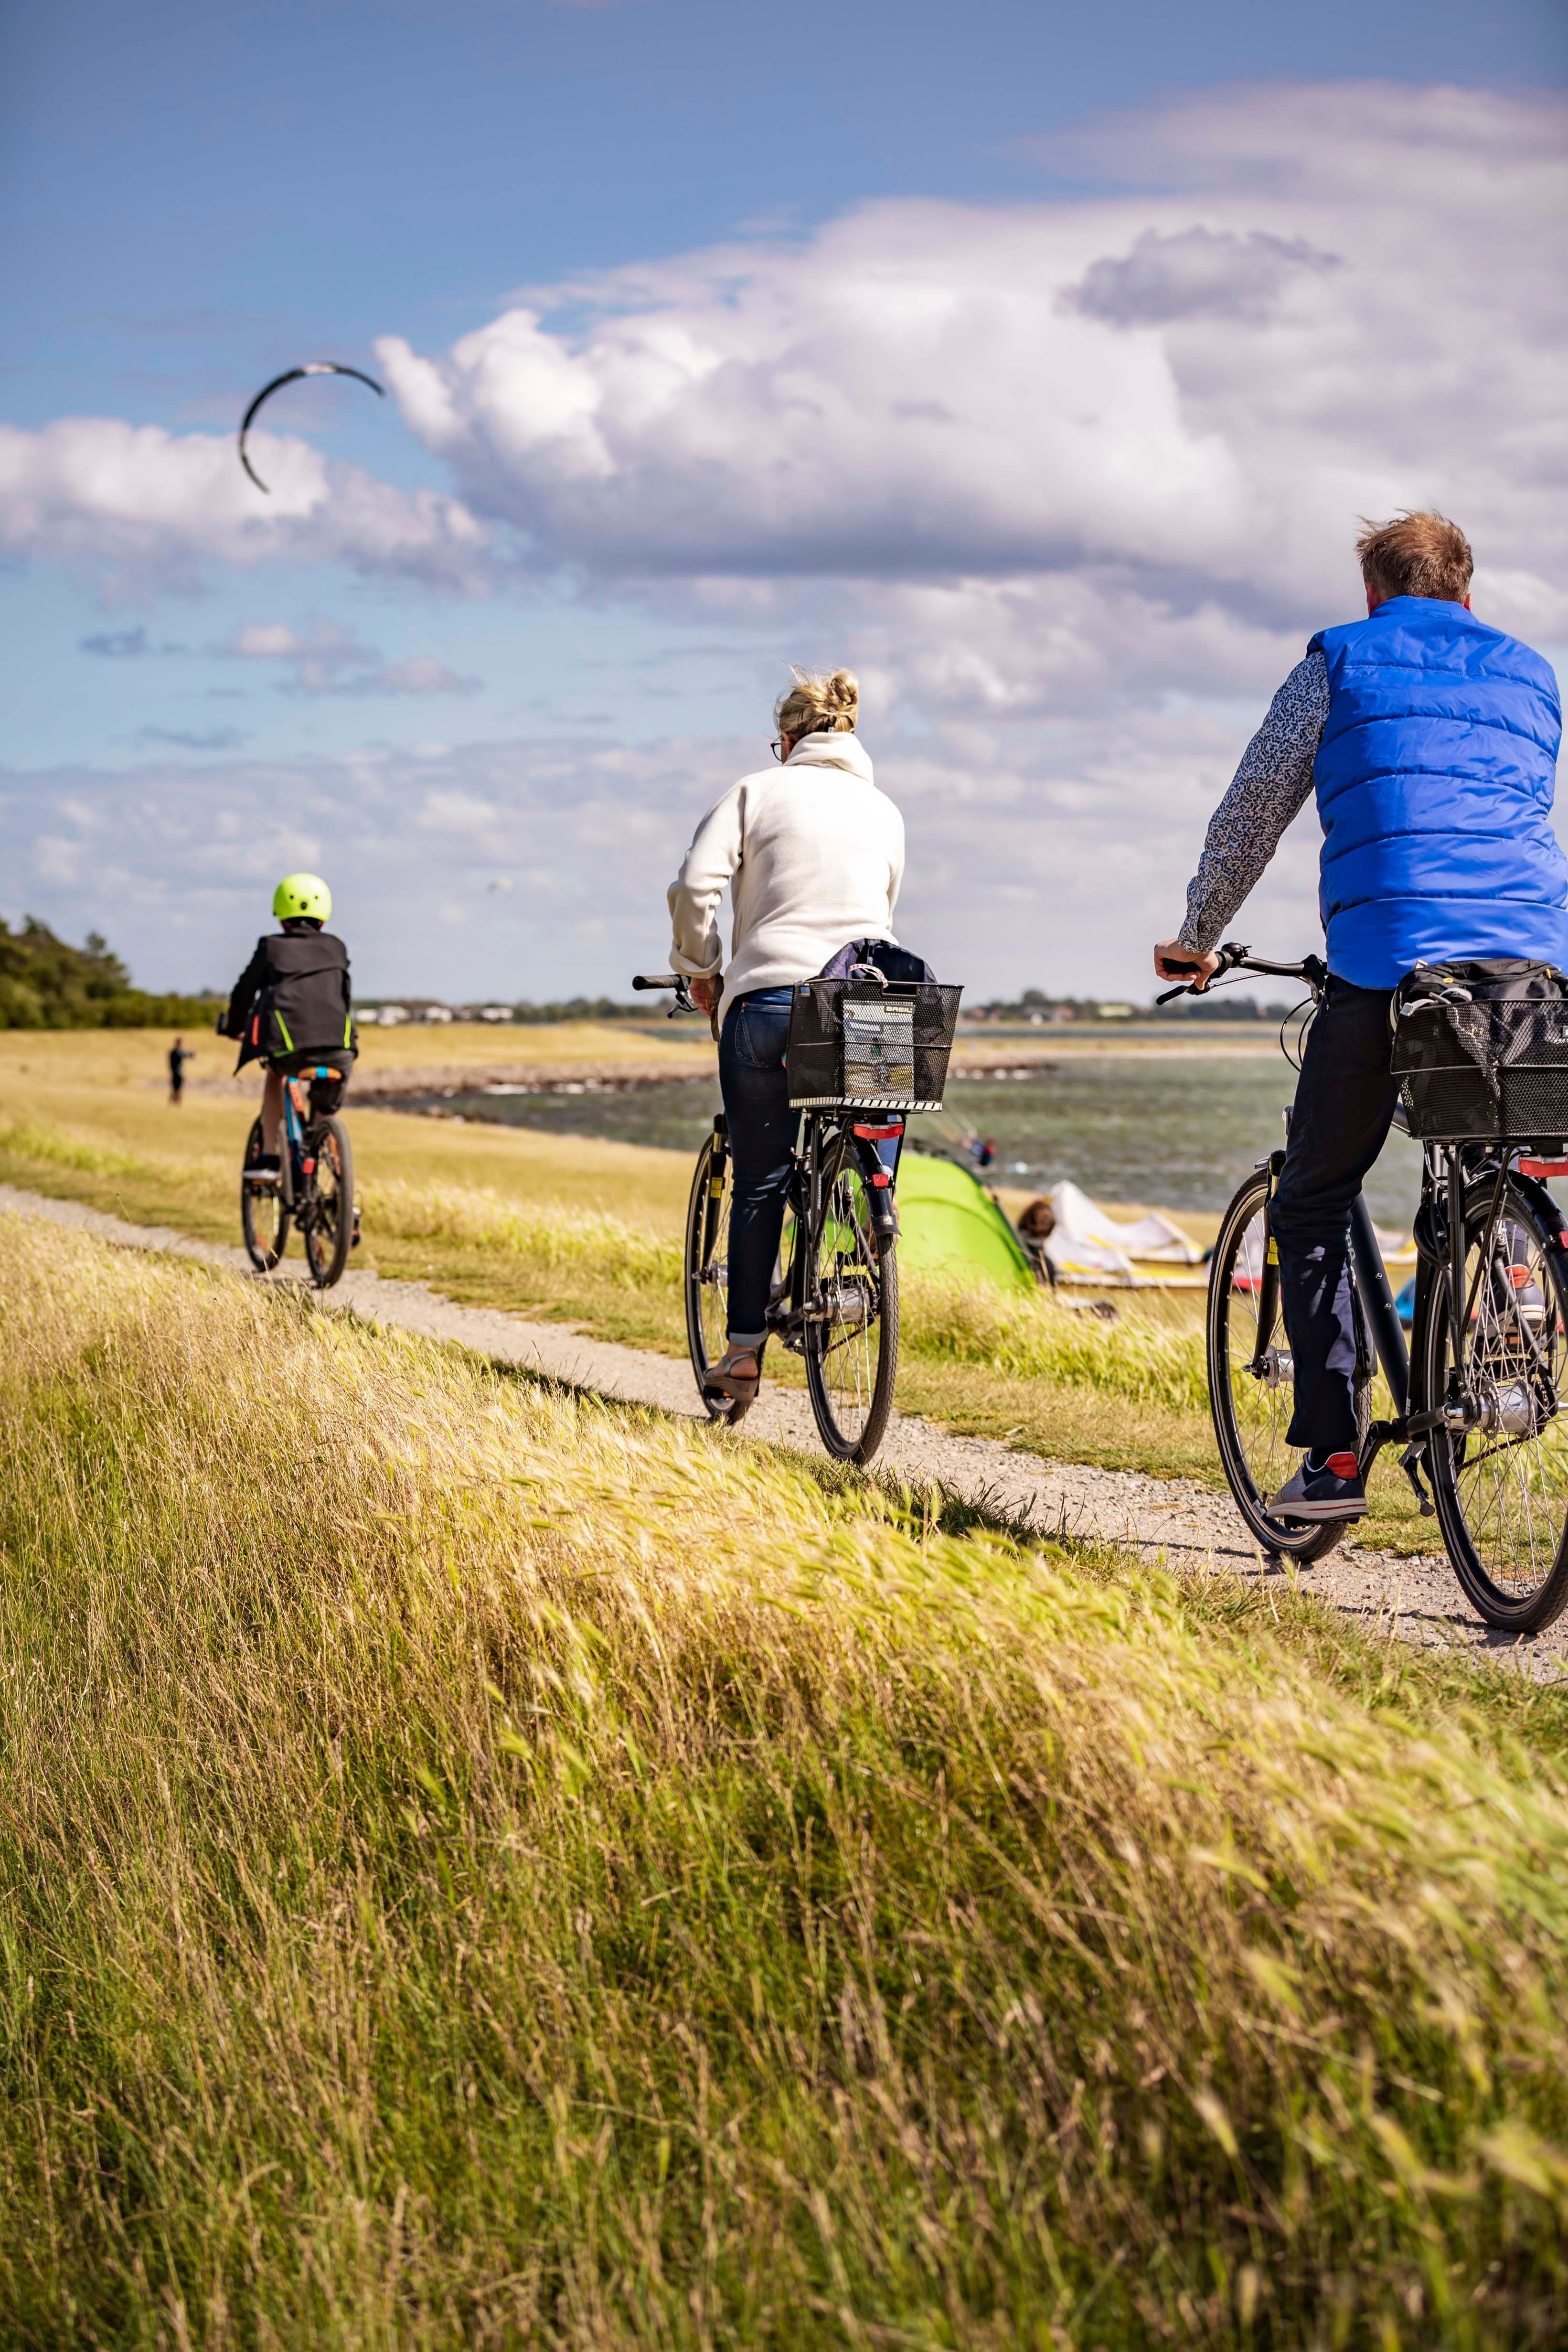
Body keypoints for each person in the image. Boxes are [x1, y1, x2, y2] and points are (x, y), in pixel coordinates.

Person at [1154, 511, 1565, 1522]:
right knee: (1483, 1153)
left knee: (1311, 1196)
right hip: (1531, 974)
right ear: (1466, 592)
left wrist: (1199, 933)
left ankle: (1333, 1455)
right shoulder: (1533, 673)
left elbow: (1253, 811)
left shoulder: (1338, 660)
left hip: (1390, 964)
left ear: (1373, 593)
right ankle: (1492, 1301)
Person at [667, 667, 906, 1403]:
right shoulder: (884, 810)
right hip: (867, 1007)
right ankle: (867, 1225)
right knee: (871, 1130)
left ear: (789, 739)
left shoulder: (756, 792)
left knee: (761, 1179)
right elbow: (881, 910)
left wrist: (700, 968)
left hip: (768, 1001)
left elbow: (694, 888)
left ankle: (742, 1355)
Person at [219, 874, 357, 1175]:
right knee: (325, 1108)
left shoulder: (271, 947)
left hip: (290, 1049)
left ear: (281, 916)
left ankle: (270, 1157)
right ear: (324, 917)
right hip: (341, 1049)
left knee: (275, 1076)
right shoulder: (337, 947)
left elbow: (244, 993)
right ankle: (327, 1163)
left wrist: (235, 1027)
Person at [167, 1035, 194, 1105]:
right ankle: (175, 1103)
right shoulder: (176, 1052)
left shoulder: (173, 1052)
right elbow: (187, 1055)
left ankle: (175, 1103)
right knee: (177, 1089)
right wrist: (192, 1052)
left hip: (176, 1073)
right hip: (178, 1073)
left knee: (176, 1089)